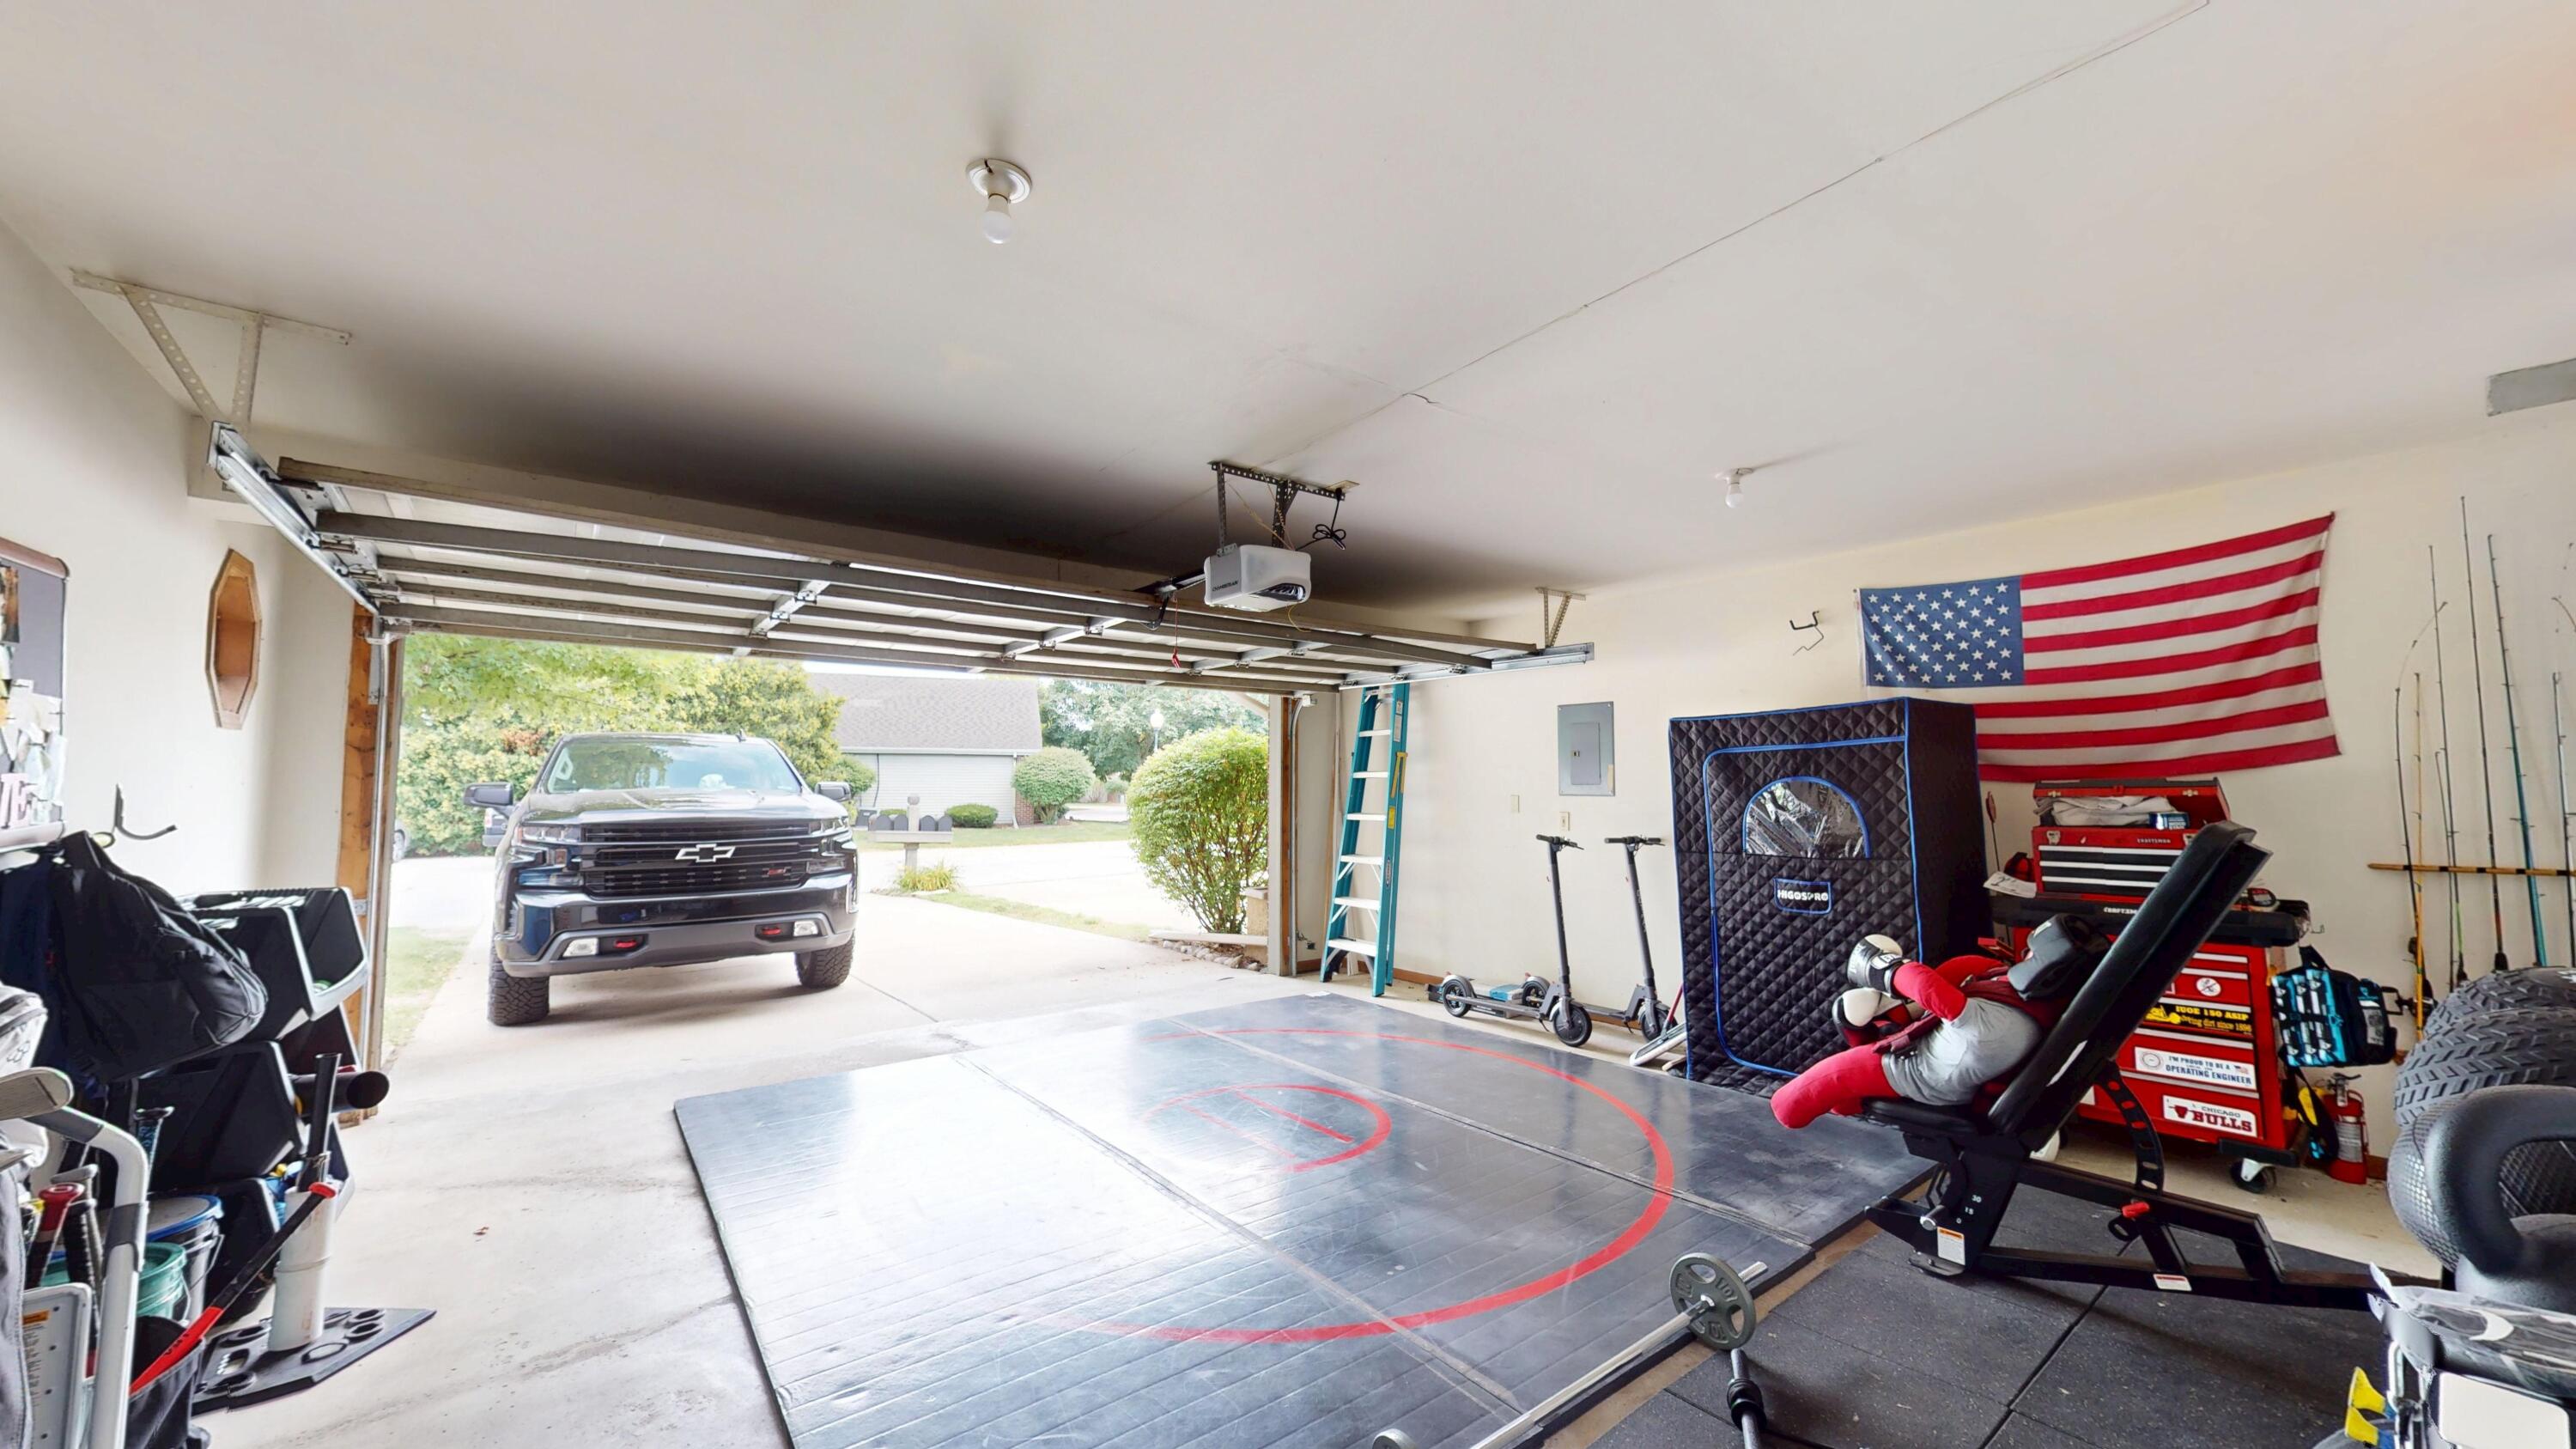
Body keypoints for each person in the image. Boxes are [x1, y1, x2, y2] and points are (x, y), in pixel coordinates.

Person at [1771, 914, 2109, 1130]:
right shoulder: (2034, 1000)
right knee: (1969, 966)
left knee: (1788, 1105)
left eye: (2033, 956)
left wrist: (1879, 966)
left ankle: (1860, 1054)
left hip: (1919, 1074)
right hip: (1942, 1044)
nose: (2026, 956)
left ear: (2048, 973)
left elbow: (1933, 992)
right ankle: (1872, 1031)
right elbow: (1950, 984)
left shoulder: (1997, 1027)